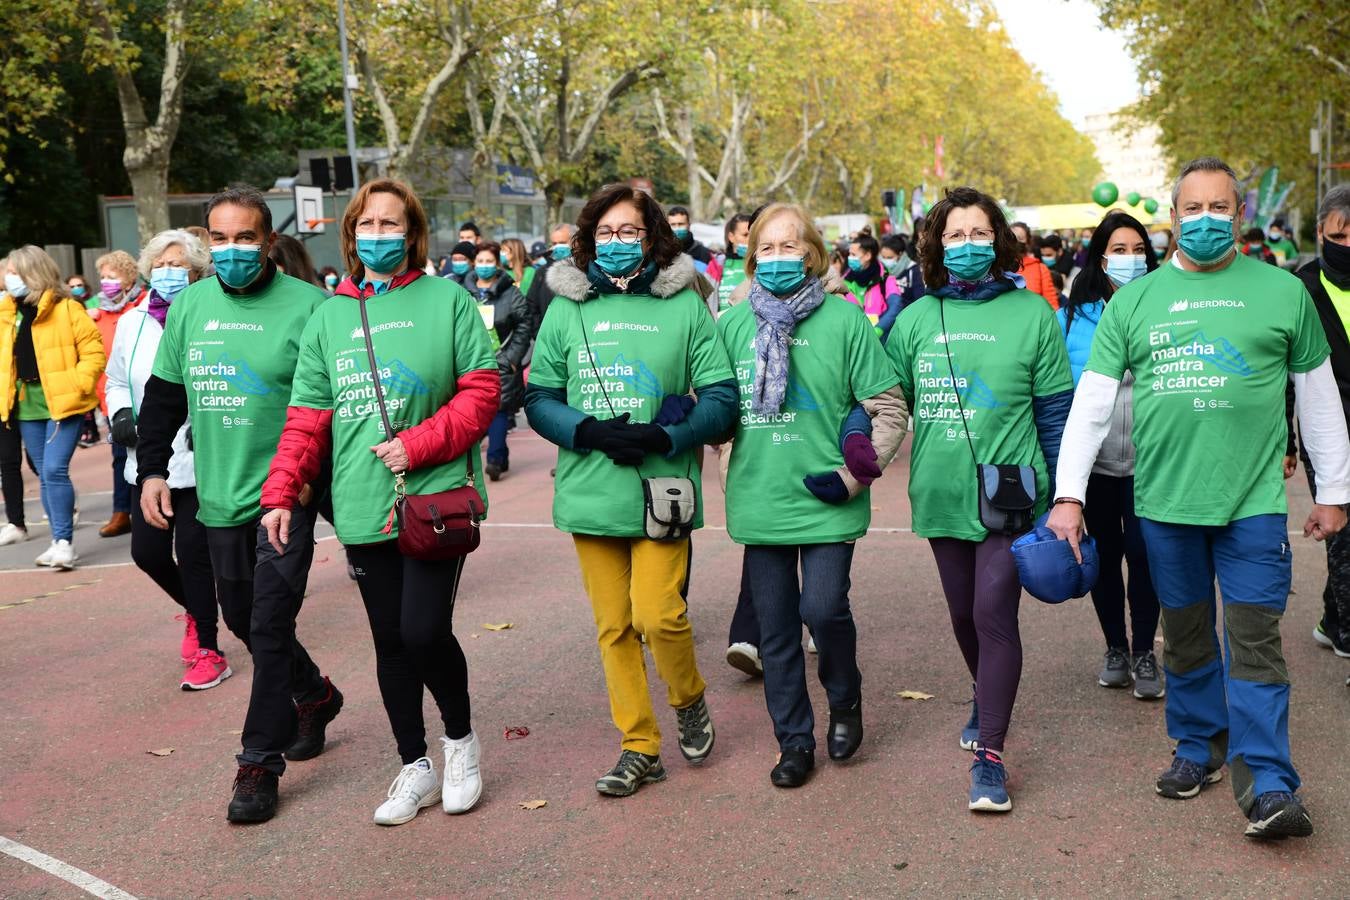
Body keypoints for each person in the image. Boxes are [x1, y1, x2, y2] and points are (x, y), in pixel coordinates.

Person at [1047, 157, 1350, 840]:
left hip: (1252, 506)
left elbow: (1318, 395)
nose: (1206, 220)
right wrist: (1069, 496)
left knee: (1255, 642)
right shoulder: (1135, 301)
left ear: (1238, 215)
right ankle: (1197, 749)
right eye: (1193, 208)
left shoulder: (1283, 291)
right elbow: (1092, 406)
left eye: (1220, 207)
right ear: (1173, 217)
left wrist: (1333, 493)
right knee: (1184, 640)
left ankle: (1269, 782)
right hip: (1164, 506)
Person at [260, 177, 499, 826]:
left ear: (413, 234)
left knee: (424, 630)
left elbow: (482, 392)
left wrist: (417, 445)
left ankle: (460, 744)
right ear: (349, 235)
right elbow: (308, 415)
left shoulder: (448, 301)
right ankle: (414, 766)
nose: (378, 237)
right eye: (366, 226)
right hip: (364, 504)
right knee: (390, 641)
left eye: (391, 225)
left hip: (434, 499)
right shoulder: (329, 315)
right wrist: (281, 492)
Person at [136, 185, 344, 824]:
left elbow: (335, 404)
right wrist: (151, 472)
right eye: (219, 239)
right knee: (241, 616)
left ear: (268, 240)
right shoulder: (191, 307)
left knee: (269, 624)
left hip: (287, 494)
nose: (231, 250)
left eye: (245, 238)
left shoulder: (312, 307)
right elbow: (165, 396)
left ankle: (258, 764)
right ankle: (314, 695)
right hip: (217, 495)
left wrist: (311, 479)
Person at [524, 183, 737, 798]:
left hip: (662, 488)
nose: (618, 243)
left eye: (631, 232)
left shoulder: (686, 303)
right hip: (590, 489)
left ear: (652, 239)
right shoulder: (566, 308)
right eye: (607, 233)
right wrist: (585, 429)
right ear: (590, 239)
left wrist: (666, 436)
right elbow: (539, 399)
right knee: (614, 626)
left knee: (659, 615)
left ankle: (689, 697)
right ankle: (639, 745)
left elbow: (721, 400)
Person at [887, 187, 1073, 813]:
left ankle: (990, 756)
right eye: (955, 235)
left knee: (993, 613)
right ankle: (982, 693)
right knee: (964, 617)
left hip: (1013, 497)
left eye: (978, 232)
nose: (967, 244)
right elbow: (886, 403)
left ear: (999, 239)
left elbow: (1055, 415)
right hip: (939, 495)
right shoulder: (912, 319)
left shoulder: (1033, 315)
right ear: (937, 244)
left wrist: (1065, 498)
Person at [719, 203, 907, 788]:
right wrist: (704, 431)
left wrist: (856, 475)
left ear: (812, 254)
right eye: (765, 249)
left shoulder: (846, 323)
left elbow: (889, 408)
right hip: (760, 499)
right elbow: (716, 410)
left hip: (830, 498)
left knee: (822, 609)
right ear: (752, 259)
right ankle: (793, 741)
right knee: (774, 631)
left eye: (789, 246)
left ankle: (845, 700)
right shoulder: (730, 326)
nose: (778, 259)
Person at [105, 229, 227, 689]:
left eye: (179, 265)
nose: (168, 273)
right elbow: (116, 379)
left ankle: (209, 648)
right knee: (147, 553)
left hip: (200, 460)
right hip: (149, 458)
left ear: (197, 272)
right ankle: (199, 609)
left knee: (195, 555)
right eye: (161, 264)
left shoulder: (212, 317)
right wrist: (119, 413)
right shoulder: (133, 321)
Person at [1058, 212, 1162, 697]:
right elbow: (1058, 391)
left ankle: (1145, 652)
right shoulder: (1072, 316)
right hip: (1095, 464)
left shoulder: (1165, 304)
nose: (1130, 258)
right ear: (1101, 256)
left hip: (1151, 463)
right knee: (1103, 557)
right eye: (1119, 250)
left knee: (1145, 557)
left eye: (1138, 248)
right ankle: (1115, 647)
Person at [1, 245, 106, 569]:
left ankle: (64, 543)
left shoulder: (66, 308)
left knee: (52, 470)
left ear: (34, 272)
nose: (8, 277)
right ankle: (57, 540)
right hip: (26, 405)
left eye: (14, 272)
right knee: (46, 476)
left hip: (64, 403)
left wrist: (78, 384)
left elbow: (93, 351)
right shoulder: (8, 311)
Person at [1295, 185, 1350, 659]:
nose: (1348, 245)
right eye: (1340, 235)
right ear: (1322, 233)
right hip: (1327, 433)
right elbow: (1285, 373)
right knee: (1345, 535)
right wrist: (1286, 443)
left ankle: (1334, 618)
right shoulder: (1300, 289)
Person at [93, 250, 146, 538]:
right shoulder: (96, 313)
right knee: (119, 454)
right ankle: (122, 511)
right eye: (102, 277)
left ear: (128, 278)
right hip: (112, 396)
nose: (106, 282)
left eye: (112, 277)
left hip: (145, 394)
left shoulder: (142, 307)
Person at [466, 241, 530, 481]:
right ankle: (500, 456)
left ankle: (493, 460)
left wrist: (512, 359)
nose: (484, 266)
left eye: (489, 261)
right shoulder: (464, 291)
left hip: (502, 362)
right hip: (472, 362)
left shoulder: (511, 293)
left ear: (498, 263)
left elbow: (524, 325)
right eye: (480, 261)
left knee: (499, 411)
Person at [525, 223, 577, 337]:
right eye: (554, 243)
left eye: (562, 243)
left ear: (575, 243)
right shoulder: (541, 273)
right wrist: (539, 334)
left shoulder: (586, 270)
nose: (557, 247)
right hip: (549, 337)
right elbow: (531, 306)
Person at [842, 233, 900, 327]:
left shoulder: (885, 280)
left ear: (867, 255)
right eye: (849, 254)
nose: (849, 258)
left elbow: (895, 307)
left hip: (880, 339)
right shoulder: (844, 281)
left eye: (853, 254)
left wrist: (879, 329)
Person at [706, 213, 751, 313]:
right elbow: (705, 299)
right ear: (731, 237)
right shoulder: (716, 265)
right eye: (745, 235)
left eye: (753, 235)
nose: (750, 239)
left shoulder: (760, 265)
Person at [1009, 221, 1059, 308]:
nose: (1015, 241)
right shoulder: (997, 268)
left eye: (1020, 238)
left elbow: (1051, 304)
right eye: (1011, 237)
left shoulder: (1040, 269)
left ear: (1028, 242)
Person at [668, 205, 713, 274]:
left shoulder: (704, 253)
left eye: (681, 224)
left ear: (689, 225)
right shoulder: (662, 253)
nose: (677, 228)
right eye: (673, 225)